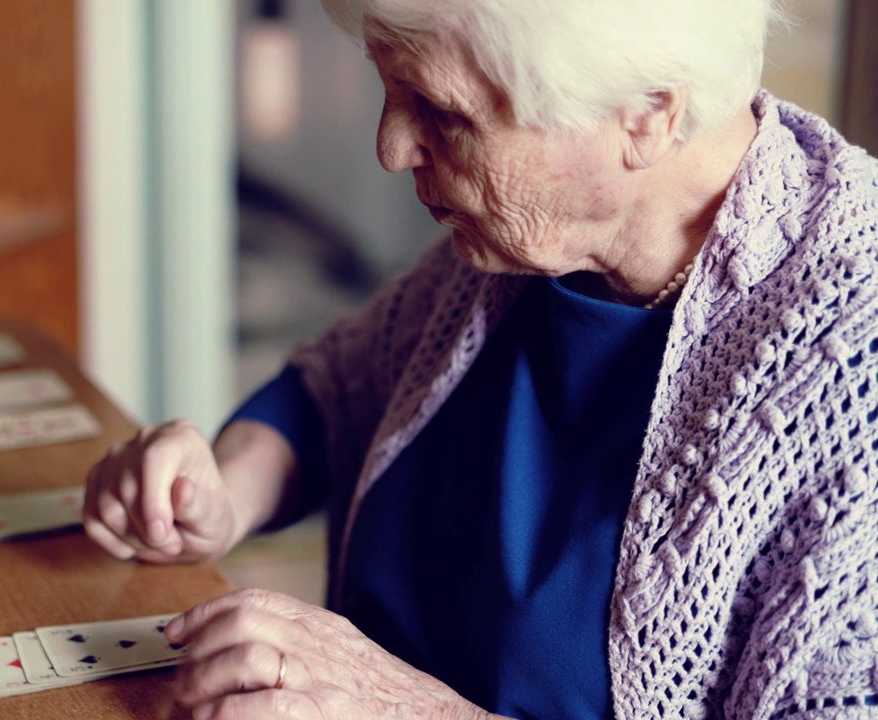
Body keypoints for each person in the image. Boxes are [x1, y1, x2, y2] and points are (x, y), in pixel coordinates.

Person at [84, 0, 878, 717]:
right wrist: (220, 490)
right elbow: (338, 389)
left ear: (647, 116)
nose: (391, 147)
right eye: (388, 90)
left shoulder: (854, 365)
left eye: (443, 111)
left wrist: (407, 710)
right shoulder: (525, 245)